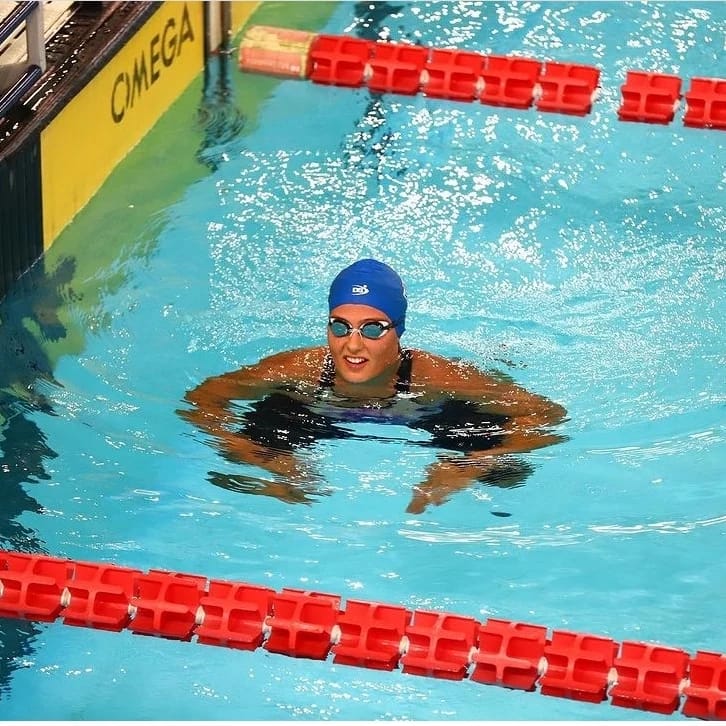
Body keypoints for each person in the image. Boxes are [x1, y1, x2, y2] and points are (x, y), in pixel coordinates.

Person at [180, 259, 567, 513]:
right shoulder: (301, 368)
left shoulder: (436, 377)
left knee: (506, 470)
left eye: (372, 329)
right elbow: (203, 400)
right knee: (258, 432)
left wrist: (465, 467)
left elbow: (546, 415)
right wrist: (263, 458)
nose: (352, 345)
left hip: (427, 411)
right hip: (318, 408)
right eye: (340, 327)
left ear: (398, 331)